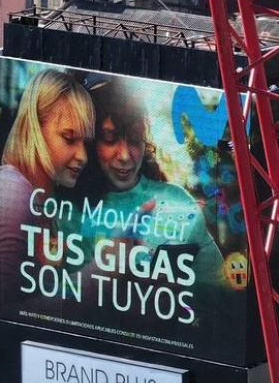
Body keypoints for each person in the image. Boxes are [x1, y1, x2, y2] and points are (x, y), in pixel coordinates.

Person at [79, 78, 226, 294]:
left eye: (136, 139)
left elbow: (222, 294)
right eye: (110, 139)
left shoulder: (177, 201)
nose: (125, 156)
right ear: (91, 141)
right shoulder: (71, 201)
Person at [0, 69, 95, 315]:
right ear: (34, 128)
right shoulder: (8, 188)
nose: (82, 156)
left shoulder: (42, 200)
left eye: (86, 143)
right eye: (69, 138)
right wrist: (100, 273)